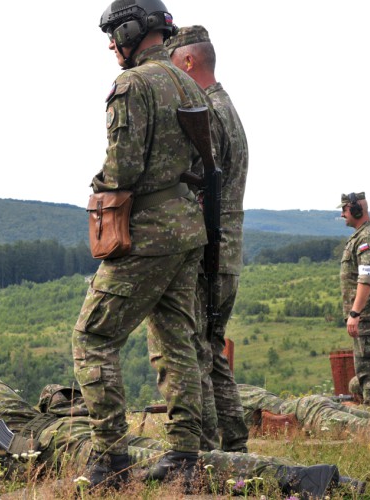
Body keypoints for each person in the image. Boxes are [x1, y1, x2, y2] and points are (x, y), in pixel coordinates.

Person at [0, 324, 364, 498]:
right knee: (169, 458)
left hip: (55, 447)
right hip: (65, 430)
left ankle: (307, 482)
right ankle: (306, 478)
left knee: (167, 471)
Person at [72, 0, 220, 487]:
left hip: (147, 233)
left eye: (114, 35)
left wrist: (97, 184)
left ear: (133, 31)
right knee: (178, 341)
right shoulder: (185, 80)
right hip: (185, 229)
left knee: (93, 337)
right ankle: (183, 456)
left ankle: (111, 459)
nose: (112, 46)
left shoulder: (132, 85)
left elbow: (122, 169)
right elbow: (205, 162)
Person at [165, 25, 250, 453]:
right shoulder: (225, 106)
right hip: (227, 249)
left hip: (209, 249)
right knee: (212, 352)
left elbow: (200, 186)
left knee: (196, 352)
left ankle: (206, 452)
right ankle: (234, 445)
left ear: (188, 61)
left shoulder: (207, 112)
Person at [338, 192, 370, 410]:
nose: (342, 215)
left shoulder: (366, 238)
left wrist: (355, 313)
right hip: (366, 315)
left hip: (366, 315)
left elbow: (367, 279)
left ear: (356, 211)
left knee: (368, 367)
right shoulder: (362, 236)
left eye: (345, 210)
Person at [238, 383, 370, 435]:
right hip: (310, 404)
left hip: (308, 416)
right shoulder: (238, 389)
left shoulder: (222, 402)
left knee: (367, 427)